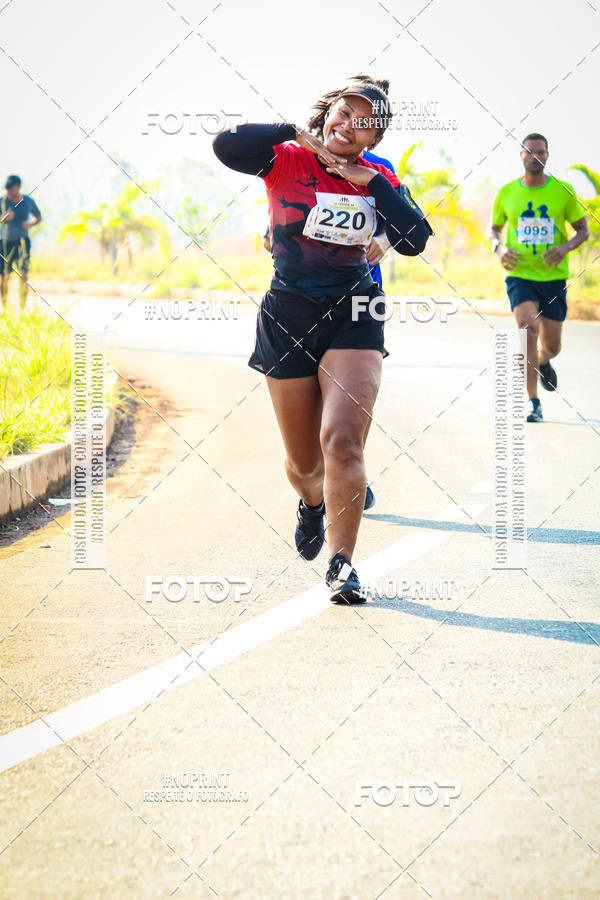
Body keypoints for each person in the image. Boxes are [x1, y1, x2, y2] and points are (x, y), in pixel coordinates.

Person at [214, 75, 432, 603]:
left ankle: (342, 565)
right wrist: (295, 129)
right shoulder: (286, 157)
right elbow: (225, 145)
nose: (349, 124)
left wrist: (371, 183)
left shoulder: (379, 174)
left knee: (342, 440)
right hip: (288, 312)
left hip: (355, 309)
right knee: (306, 463)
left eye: (364, 121)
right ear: (327, 115)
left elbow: (415, 239)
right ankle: (313, 501)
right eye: (343, 112)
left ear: (373, 139)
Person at [489, 134, 589, 422]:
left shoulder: (563, 190)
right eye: (529, 151)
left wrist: (565, 247)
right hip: (520, 274)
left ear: (547, 156)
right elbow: (493, 230)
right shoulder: (507, 192)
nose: (535, 156)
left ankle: (544, 361)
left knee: (552, 345)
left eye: (541, 152)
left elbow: (583, 231)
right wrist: (499, 248)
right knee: (526, 330)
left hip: (553, 278)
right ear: (521, 155)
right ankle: (533, 403)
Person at [0, 175, 42, 309]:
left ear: (18, 187)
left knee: (24, 274)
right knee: (4, 276)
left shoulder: (28, 201)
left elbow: (39, 217)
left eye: (10, 188)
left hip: (23, 241)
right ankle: (4, 306)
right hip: (5, 243)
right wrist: (4, 218)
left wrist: (30, 224)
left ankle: (22, 307)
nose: (8, 191)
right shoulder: (2, 200)